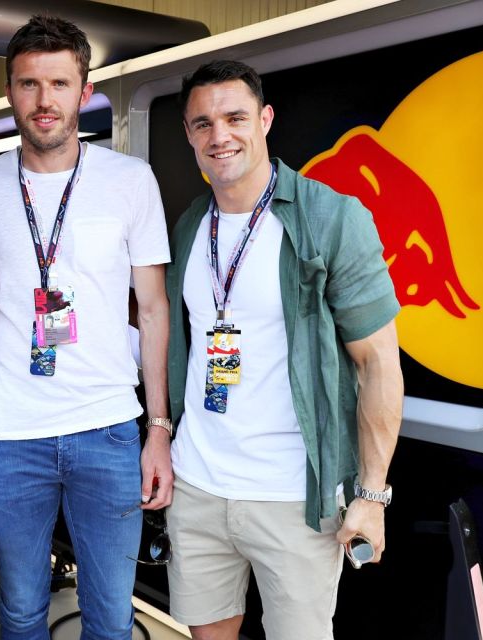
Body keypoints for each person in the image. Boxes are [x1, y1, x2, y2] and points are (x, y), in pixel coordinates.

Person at [166, 59, 403, 639]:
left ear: (266, 120)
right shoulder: (192, 224)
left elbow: (378, 365)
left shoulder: (331, 218)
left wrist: (371, 495)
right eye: (202, 124)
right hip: (197, 484)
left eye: (235, 117)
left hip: (294, 498)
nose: (219, 135)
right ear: (189, 135)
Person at [0, 14, 173, 639]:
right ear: (10, 92)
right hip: (10, 435)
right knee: (21, 608)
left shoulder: (130, 180)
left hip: (108, 430)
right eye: (29, 84)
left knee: (111, 617)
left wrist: (158, 427)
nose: (44, 99)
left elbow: (156, 307)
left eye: (59, 83)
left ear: (85, 92)